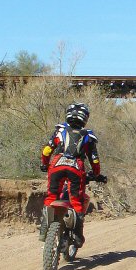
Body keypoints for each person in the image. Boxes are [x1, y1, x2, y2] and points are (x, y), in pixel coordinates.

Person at [39, 102, 106, 243]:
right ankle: (77, 234)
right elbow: (94, 160)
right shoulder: (88, 136)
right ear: (85, 118)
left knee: (51, 196)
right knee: (76, 201)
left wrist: (44, 164)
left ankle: (44, 226)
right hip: (76, 167)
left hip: (57, 164)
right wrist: (96, 174)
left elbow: (46, 150)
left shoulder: (60, 130)